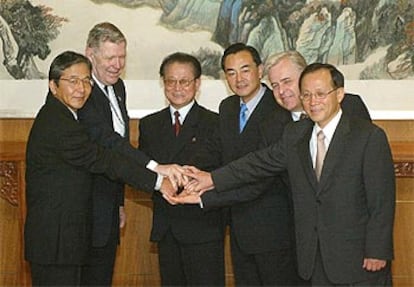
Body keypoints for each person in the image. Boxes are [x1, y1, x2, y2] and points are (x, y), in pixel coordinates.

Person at [174, 63, 395, 286]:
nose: (312, 101)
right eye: (306, 95)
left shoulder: (368, 136)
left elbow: (382, 200)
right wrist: (211, 179)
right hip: (314, 260)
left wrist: (377, 250)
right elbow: (257, 164)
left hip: (359, 259)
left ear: (339, 94)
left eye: (320, 94)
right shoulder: (295, 134)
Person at [24, 51, 175, 286]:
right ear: (53, 86)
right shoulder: (58, 123)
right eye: (72, 81)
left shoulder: (67, 116)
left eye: (86, 81)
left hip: (65, 242)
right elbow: (105, 160)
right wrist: (158, 181)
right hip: (55, 244)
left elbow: (108, 151)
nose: (81, 88)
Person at [77, 22, 184, 286]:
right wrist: (155, 168)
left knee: (102, 276)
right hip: (83, 209)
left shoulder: (118, 88)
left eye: (122, 57)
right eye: (110, 57)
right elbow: (109, 143)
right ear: (90, 54)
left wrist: (119, 203)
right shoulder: (82, 93)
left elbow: (120, 148)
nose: (117, 64)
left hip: (108, 205)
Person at [185, 43, 300, 286]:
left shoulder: (280, 108)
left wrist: (207, 193)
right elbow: (214, 150)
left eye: (245, 70)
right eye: (231, 72)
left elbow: (262, 175)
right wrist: (184, 172)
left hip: (273, 231)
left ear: (260, 71)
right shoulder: (227, 108)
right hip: (238, 227)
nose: (239, 79)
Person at [138, 52, 225, 286]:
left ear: (197, 83)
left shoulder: (215, 123)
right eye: (170, 81)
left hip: (203, 227)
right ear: (162, 82)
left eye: (184, 81)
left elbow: (224, 174)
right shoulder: (149, 125)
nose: (177, 88)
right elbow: (143, 172)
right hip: (167, 227)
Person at [264, 50, 371, 122]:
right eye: (275, 85)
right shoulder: (270, 123)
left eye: (287, 81)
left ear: (304, 78)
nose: (281, 91)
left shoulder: (350, 106)